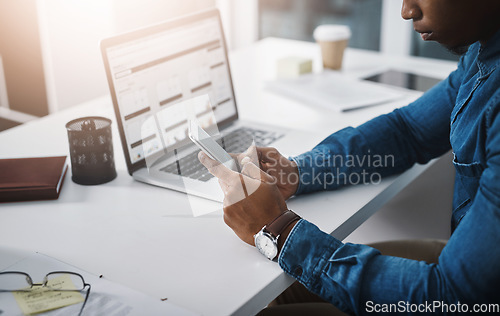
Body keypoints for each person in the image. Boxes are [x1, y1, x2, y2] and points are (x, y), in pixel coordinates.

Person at [199, 0, 500, 314]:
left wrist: (277, 229)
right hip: (465, 274)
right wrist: (296, 171)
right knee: (281, 289)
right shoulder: (484, 50)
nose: (406, 11)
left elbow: (452, 297)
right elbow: (408, 131)